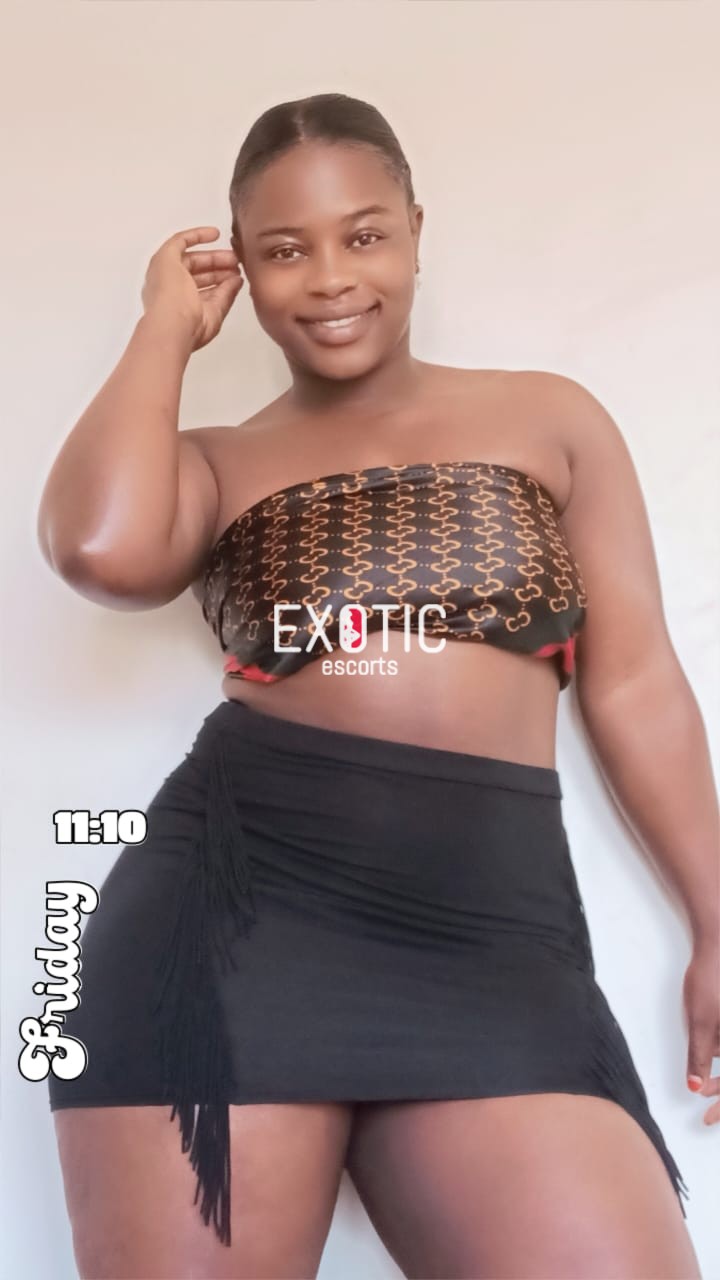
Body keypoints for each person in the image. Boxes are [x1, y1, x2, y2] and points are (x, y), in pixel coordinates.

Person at [37, 93, 714, 1280]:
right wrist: (163, 328)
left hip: (494, 941)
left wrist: (715, 916)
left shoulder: (548, 417)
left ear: (415, 230)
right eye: (283, 249)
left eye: (363, 234)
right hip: (228, 929)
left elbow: (637, 682)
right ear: (240, 268)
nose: (331, 277)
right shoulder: (220, 463)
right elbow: (98, 549)